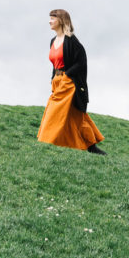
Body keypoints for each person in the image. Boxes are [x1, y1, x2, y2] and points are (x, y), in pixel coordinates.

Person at [37, 9, 106, 155]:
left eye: (52, 19)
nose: (49, 21)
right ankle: (91, 145)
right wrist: (53, 80)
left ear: (61, 20)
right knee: (75, 115)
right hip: (57, 81)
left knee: (53, 112)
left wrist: (67, 75)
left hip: (68, 83)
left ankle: (46, 141)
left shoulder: (70, 40)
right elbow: (54, 63)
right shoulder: (52, 41)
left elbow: (81, 61)